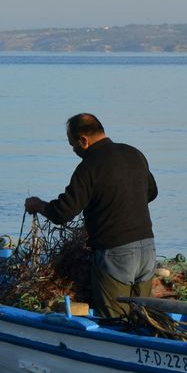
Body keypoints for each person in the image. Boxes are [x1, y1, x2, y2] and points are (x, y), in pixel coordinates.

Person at [25, 113, 157, 318]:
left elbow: (63, 212)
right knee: (143, 316)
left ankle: (114, 350)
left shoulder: (89, 166)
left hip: (116, 253)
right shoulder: (134, 154)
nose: (74, 150)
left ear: (83, 140)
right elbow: (151, 192)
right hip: (147, 248)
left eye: (73, 144)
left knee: (116, 319)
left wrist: (38, 205)